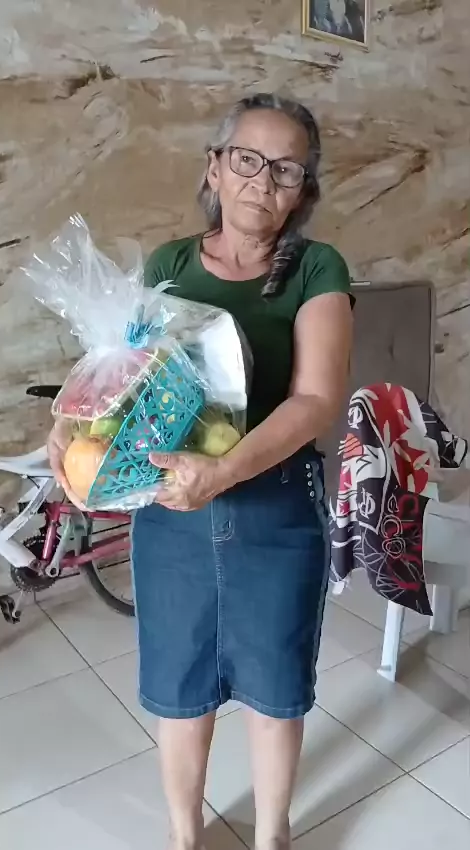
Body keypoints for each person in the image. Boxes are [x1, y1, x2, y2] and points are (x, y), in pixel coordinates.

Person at [48, 93, 353, 850]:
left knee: (275, 687)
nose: (263, 181)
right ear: (214, 168)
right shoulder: (170, 265)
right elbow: (124, 376)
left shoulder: (318, 267)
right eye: (247, 159)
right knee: (180, 685)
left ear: (303, 190)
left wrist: (223, 472)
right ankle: (184, 836)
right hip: (171, 515)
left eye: (286, 169)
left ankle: (273, 835)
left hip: (276, 508)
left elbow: (316, 399)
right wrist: (69, 423)